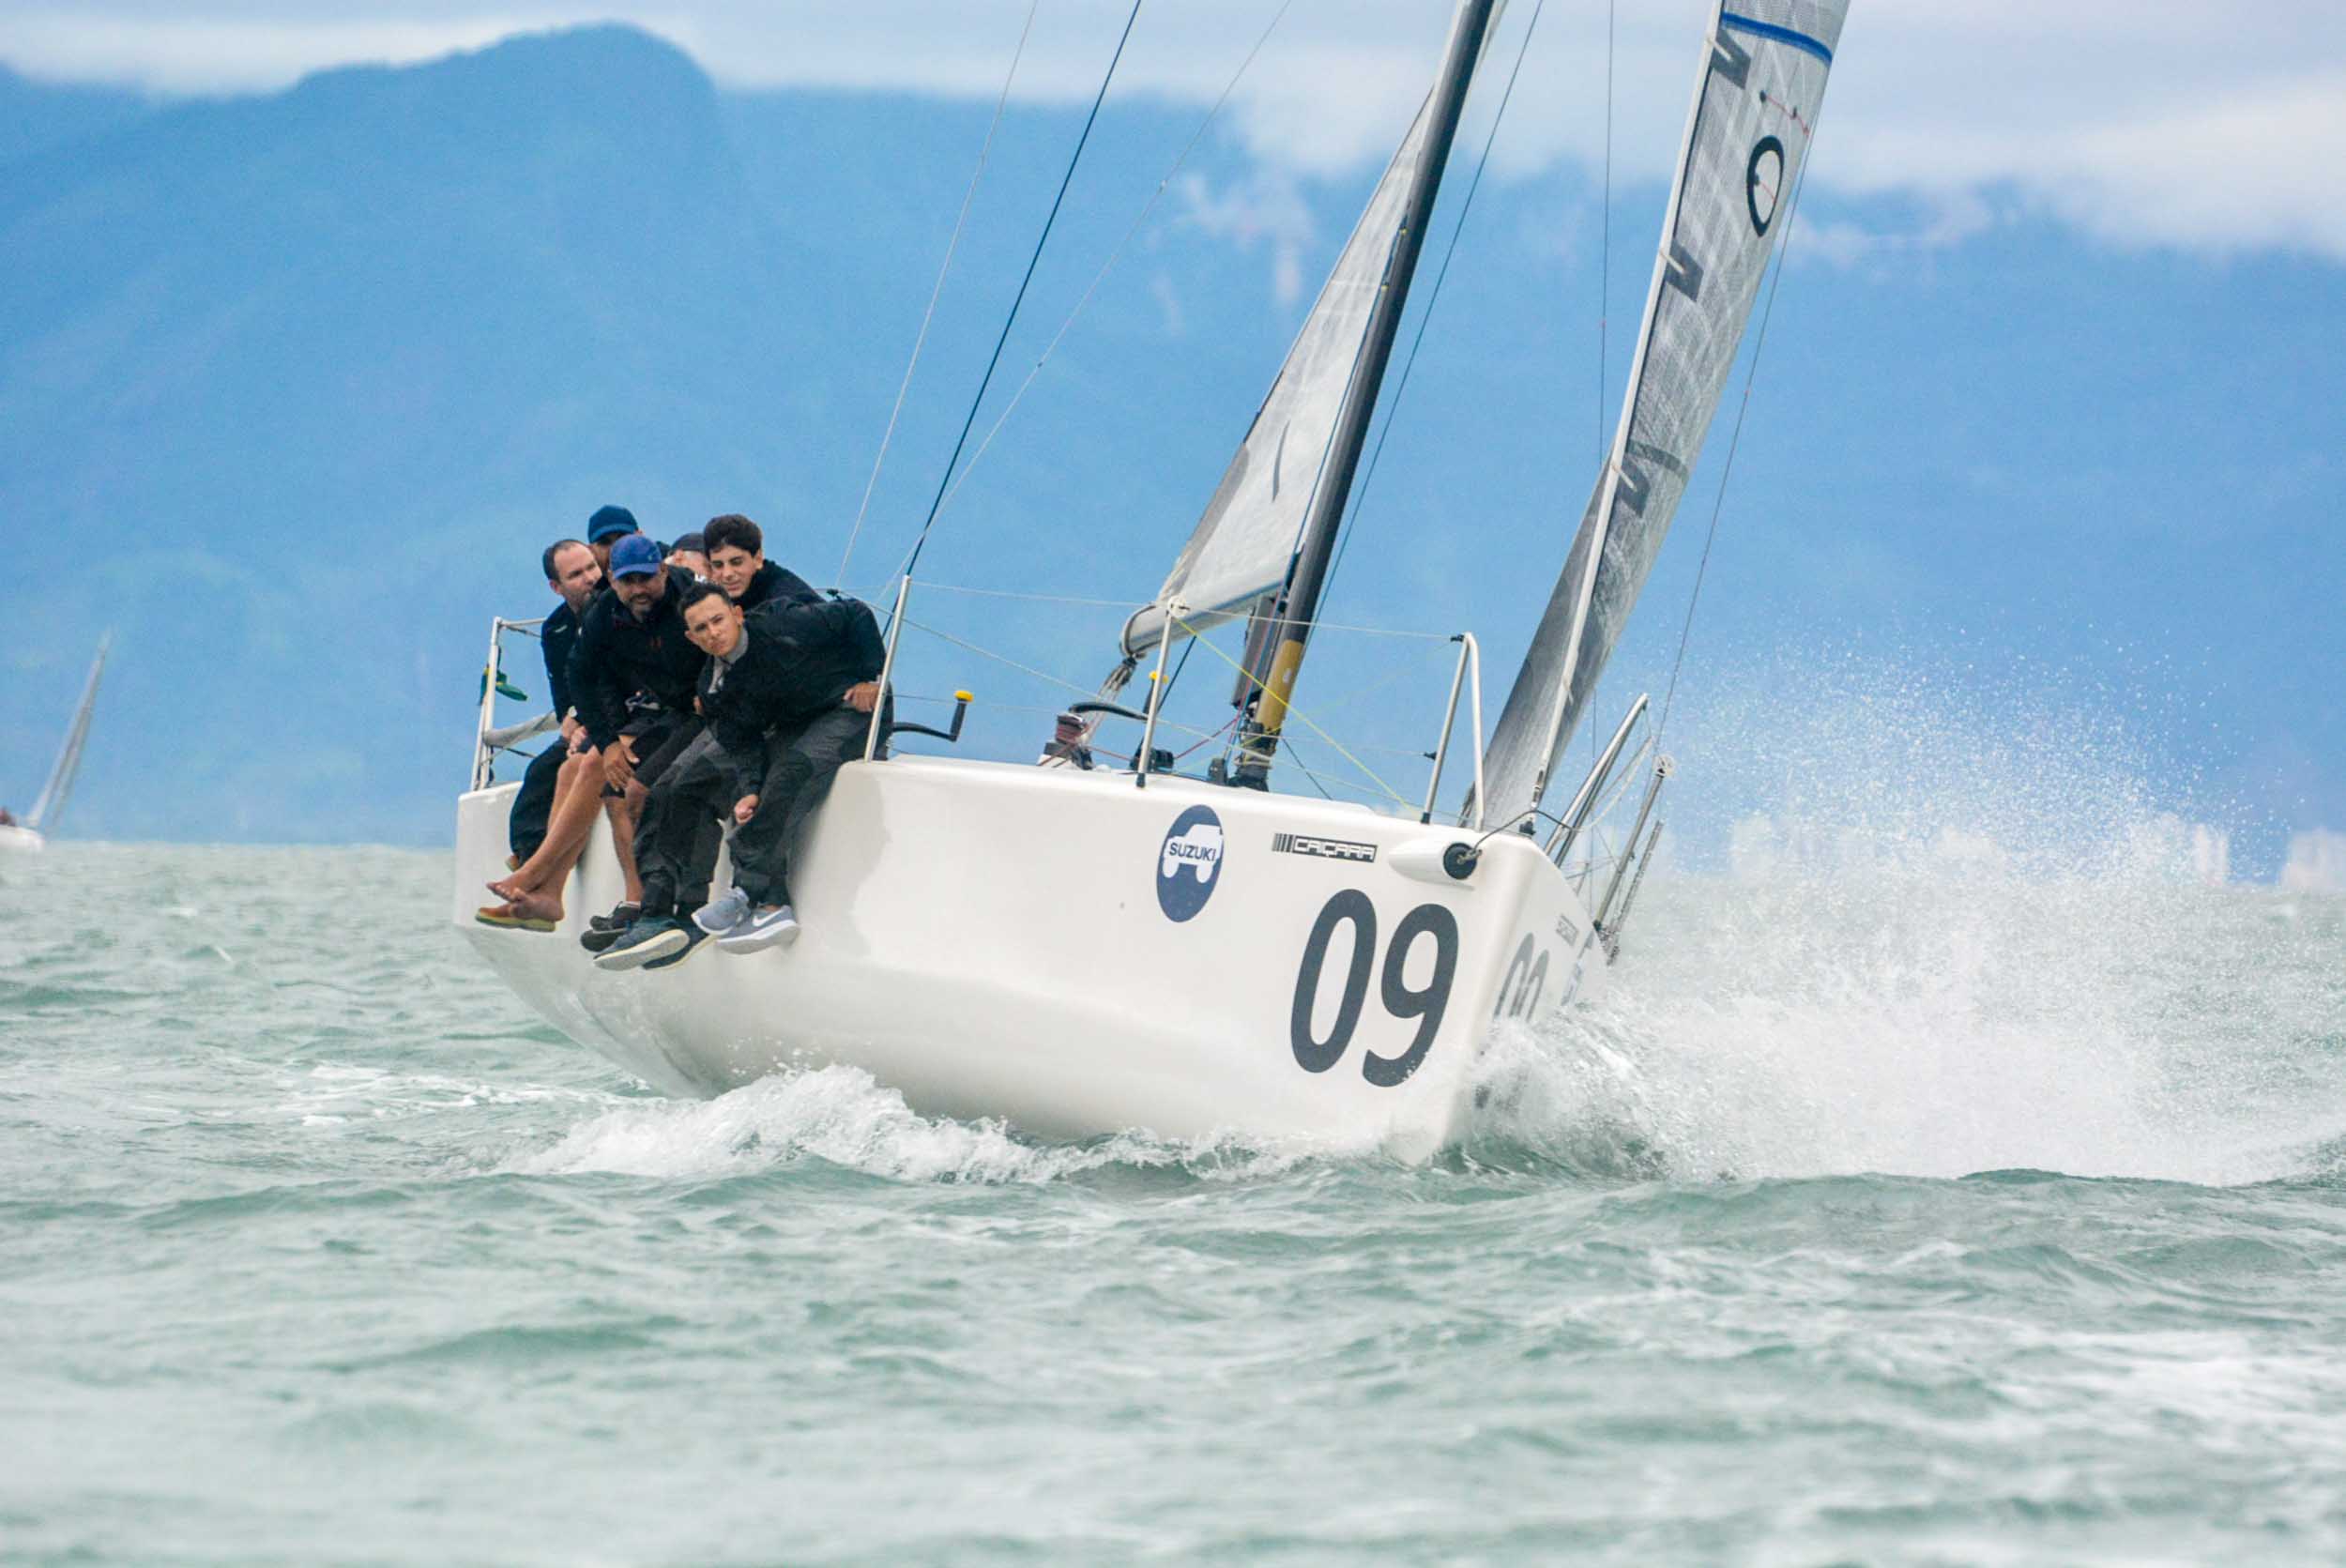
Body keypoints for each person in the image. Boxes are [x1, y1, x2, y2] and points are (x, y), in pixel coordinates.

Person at [656, 585, 883, 957]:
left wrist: (870, 677)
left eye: (718, 620)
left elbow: (855, 612)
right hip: (801, 724)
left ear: (738, 615)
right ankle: (772, 906)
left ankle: (746, 892)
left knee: (792, 771)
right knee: (753, 795)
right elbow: (743, 747)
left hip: (851, 708)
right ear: (691, 637)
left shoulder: (783, 623)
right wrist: (749, 788)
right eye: (701, 629)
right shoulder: (713, 688)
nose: (713, 633)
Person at [503, 539, 601, 862]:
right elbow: (562, 691)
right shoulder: (556, 629)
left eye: (592, 567)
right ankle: (527, 851)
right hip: (584, 717)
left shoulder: (615, 607)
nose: (590, 577)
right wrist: (570, 721)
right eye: (576, 574)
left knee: (571, 766)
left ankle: (547, 859)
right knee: (540, 770)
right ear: (556, 586)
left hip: (614, 715)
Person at [702, 514, 819, 615]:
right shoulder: (709, 600)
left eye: (736, 562)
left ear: (758, 559)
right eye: (718, 565)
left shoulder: (789, 600)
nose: (727, 574)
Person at [585, 505, 639, 576]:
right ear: (591, 551)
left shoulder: (658, 569)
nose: (615, 550)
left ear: (640, 537)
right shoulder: (587, 585)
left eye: (623, 539)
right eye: (604, 543)